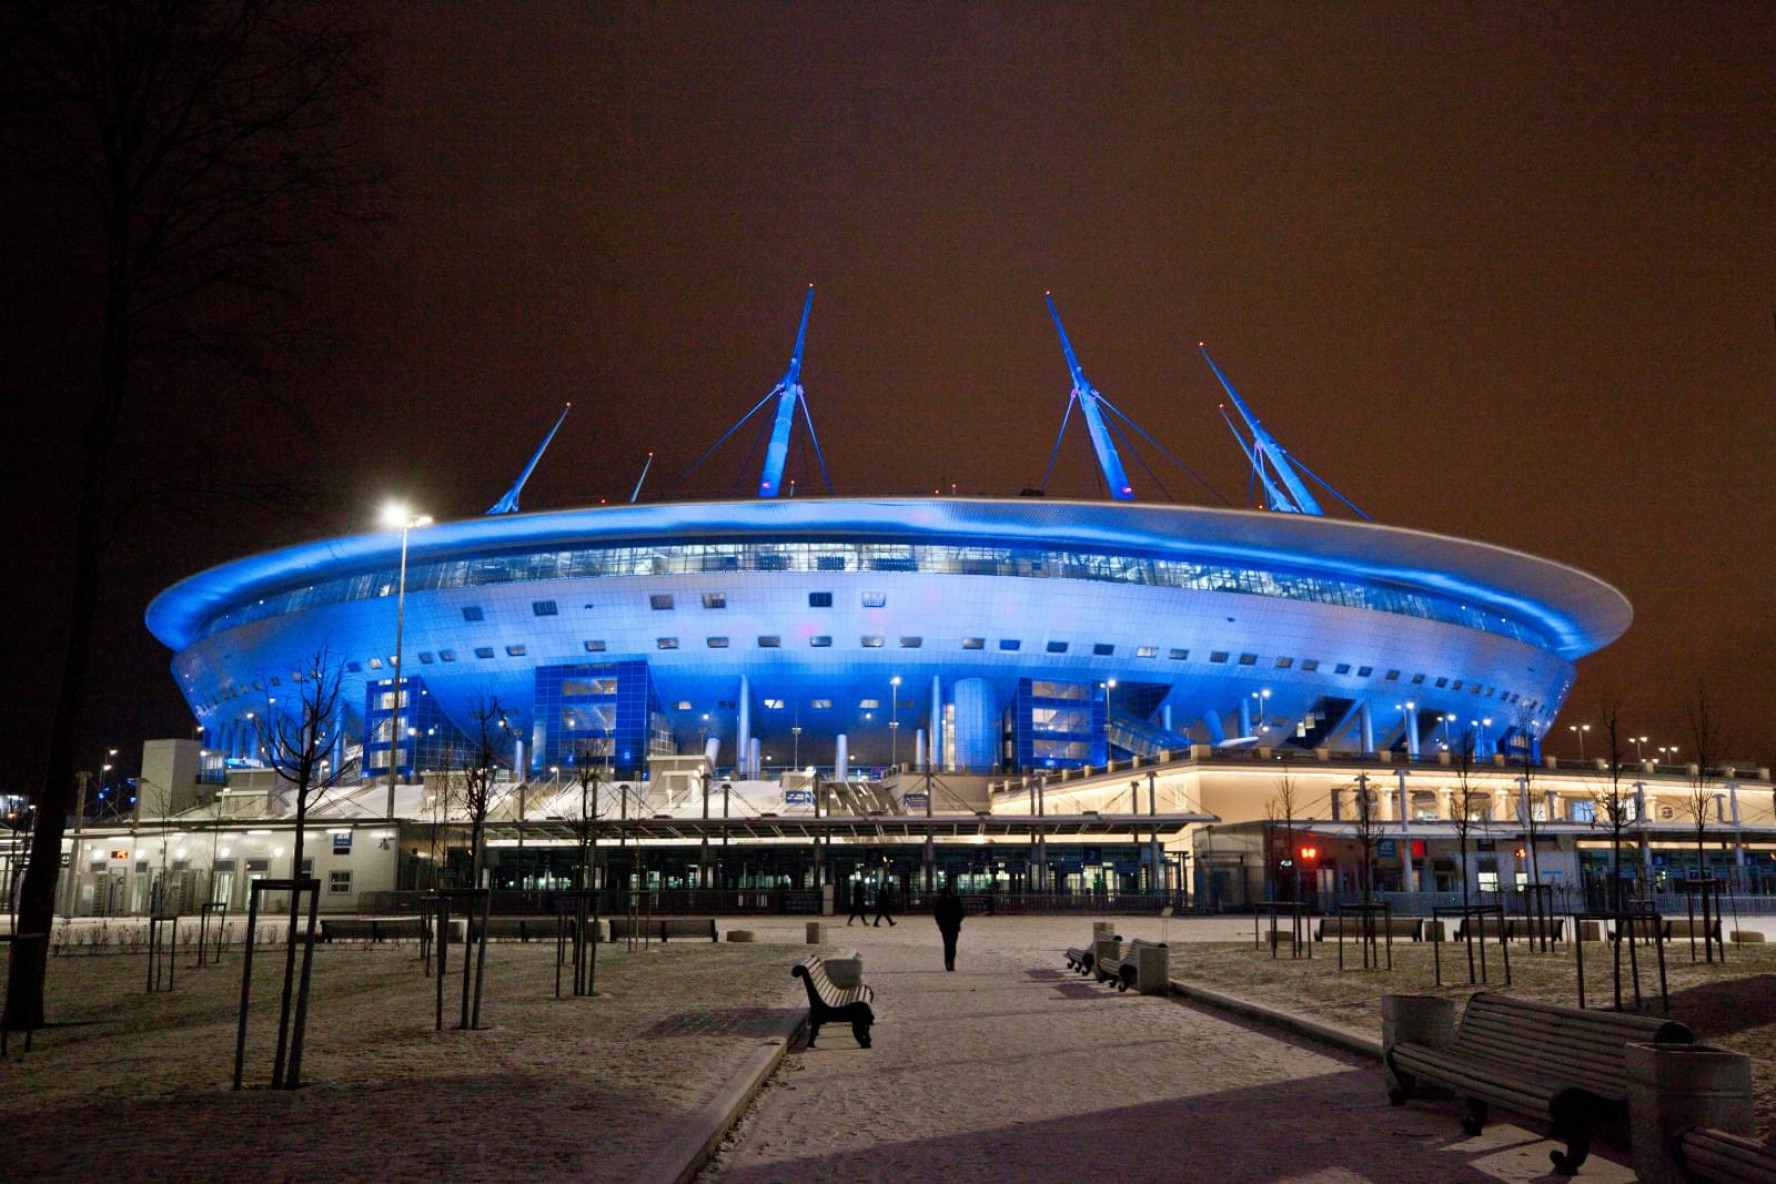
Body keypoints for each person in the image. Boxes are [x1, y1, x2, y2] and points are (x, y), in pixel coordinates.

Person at [933, 882, 965, 971]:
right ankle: (950, 962)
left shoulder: (941, 900)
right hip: (951, 926)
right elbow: (961, 912)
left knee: (949, 945)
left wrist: (940, 923)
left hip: (947, 926)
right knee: (950, 945)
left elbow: (937, 913)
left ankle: (949, 962)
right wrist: (957, 921)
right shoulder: (955, 900)